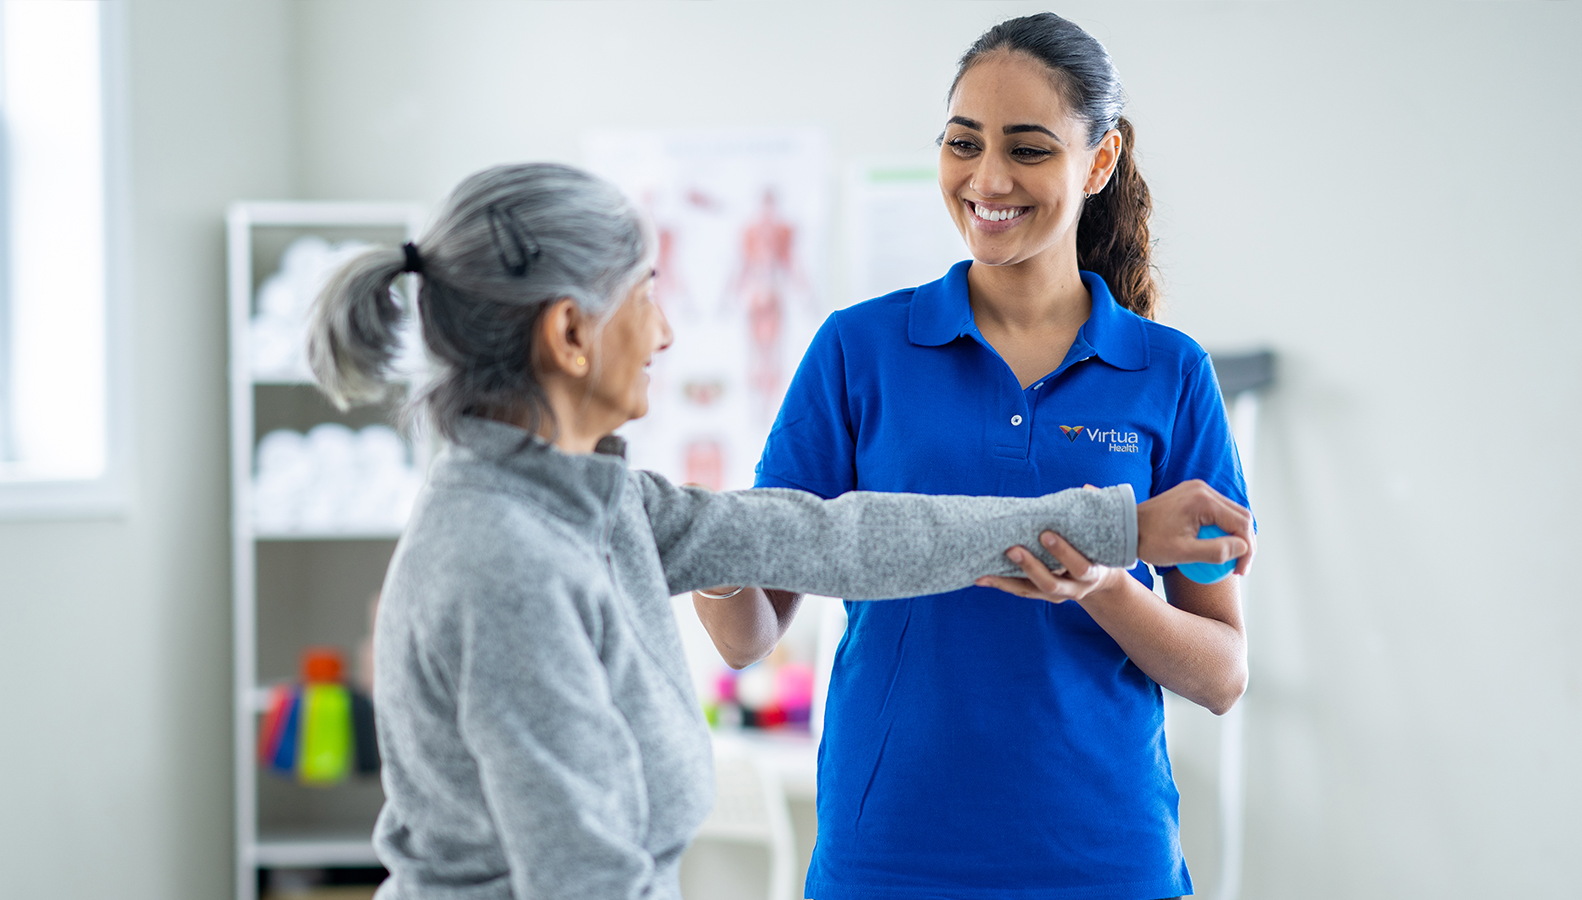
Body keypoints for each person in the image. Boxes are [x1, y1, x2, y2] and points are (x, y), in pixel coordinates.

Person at [305, 162, 1253, 900]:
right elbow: (582, 876)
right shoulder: (504, 557)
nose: (668, 331)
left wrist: (1115, 526)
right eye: (646, 292)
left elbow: (841, 538)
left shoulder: (598, 505)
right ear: (568, 335)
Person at [696, 12, 1251, 900]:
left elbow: (1221, 674)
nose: (987, 179)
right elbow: (747, 635)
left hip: (1102, 861)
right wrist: (704, 539)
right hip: (888, 858)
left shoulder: (1168, 371)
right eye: (964, 143)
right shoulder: (859, 351)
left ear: (1098, 163)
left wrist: (1105, 586)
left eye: (1029, 149)